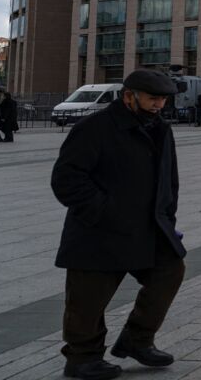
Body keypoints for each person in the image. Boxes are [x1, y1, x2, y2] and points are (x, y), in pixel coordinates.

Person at [51, 70, 187, 380]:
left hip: (148, 227)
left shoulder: (160, 129)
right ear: (129, 96)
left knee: (170, 270)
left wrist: (166, 216)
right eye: (153, 98)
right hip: (99, 231)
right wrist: (102, 211)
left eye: (163, 99)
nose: (159, 105)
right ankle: (82, 358)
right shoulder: (94, 128)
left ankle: (138, 340)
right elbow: (66, 179)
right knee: (88, 299)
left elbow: (169, 179)